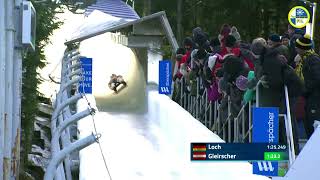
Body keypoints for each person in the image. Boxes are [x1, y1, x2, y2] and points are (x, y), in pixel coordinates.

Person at [295, 34, 320, 138]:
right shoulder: (305, 59)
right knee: (308, 124)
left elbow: (316, 78)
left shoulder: (313, 59)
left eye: (297, 46)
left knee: (313, 124)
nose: (295, 48)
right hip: (310, 97)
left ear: (302, 48)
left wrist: (305, 90)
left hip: (315, 98)